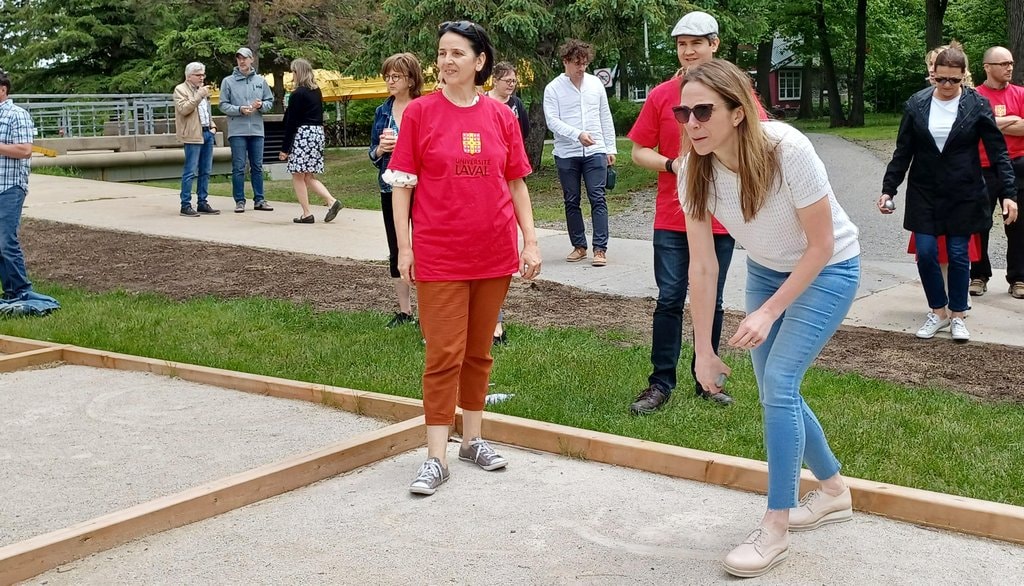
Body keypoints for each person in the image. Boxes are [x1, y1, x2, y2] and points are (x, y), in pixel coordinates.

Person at [680, 59, 861, 578]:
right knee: (775, 388)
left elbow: (821, 245)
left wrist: (767, 311)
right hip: (766, 268)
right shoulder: (693, 169)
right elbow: (702, 266)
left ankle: (775, 527)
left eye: (703, 111)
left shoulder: (787, 150)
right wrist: (703, 351)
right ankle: (833, 491)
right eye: (683, 113)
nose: (691, 123)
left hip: (829, 268)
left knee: (780, 382)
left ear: (737, 112)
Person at [385, 20, 541, 495]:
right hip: (440, 254)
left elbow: (515, 182)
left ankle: (472, 439)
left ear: (480, 61)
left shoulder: (501, 116)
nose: (447, 61)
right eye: (442, 53)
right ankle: (436, 457)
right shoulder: (420, 113)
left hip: (494, 254)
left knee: (478, 352)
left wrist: (530, 241)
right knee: (443, 354)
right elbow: (402, 186)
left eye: (457, 53)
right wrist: (405, 248)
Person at [627, 11, 767, 413]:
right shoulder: (661, 95)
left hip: (721, 218)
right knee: (670, 298)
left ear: (714, 45)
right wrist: (673, 165)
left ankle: (707, 380)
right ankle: (659, 383)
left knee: (713, 299)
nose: (688, 51)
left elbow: (759, 137)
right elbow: (638, 150)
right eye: (682, 45)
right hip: (673, 218)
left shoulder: (735, 93)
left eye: (696, 43)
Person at [880, 43, 1017, 343]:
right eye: (939, 78)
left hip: (963, 191)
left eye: (953, 80)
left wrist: (1009, 193)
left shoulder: (977, 105)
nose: (946, 85)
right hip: (925, 191)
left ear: (964, 76)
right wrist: (889, 188)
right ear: (933, 75)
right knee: (927, 253)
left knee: (957, 254)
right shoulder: (916, 104)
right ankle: (938, 312)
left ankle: (958, 315)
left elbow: (998, 153)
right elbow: (903, 152)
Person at [543, 39, 616, 267]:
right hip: (567, 152)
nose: (581, 68)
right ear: (565, 61)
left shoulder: (595, 84)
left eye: (584, 63)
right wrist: (577, 134)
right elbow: (552, 121)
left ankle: (600, 248)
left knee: (598, 197)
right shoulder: (553, 88)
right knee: (572, 199)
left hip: (595, 150)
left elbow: (605, 115)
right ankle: (579, 246)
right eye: (577, 63)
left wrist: (610, 147)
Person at [370, 52, 424, 329]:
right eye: (387, 77)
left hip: (424, 189)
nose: (390, 81)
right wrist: (381, 149)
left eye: (396, 76)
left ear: (411, 79)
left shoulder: (425, 107)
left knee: (425, 248)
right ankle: (405, 311)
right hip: (390, 187)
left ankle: (428, 310)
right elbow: (372, 154)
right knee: (397, 247)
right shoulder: (382, 111)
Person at [970, 46, 1024, 299]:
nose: (1009, 67)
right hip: (983, 166)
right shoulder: (974, 96)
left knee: (1019, 224)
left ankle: (1018, 278)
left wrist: (989, 123)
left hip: (1018, 164)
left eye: (1010, 63)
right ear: (987, 67)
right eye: (1003, 64)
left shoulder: (1021, 94)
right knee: (979, 223)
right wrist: (1012, 120)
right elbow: (972, 127)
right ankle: (979, 275)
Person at [486, 60, 530, 346]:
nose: (511, 85)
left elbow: (519, 139)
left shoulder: (515, 107)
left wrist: (531, 241)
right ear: (495, 80)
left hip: (506, 180)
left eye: (514, 81)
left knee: (496, 260)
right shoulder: (483, 105)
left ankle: (496, 322)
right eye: (507, 80)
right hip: (484, 182)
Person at [279, 58, 341, 224]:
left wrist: (285, 148)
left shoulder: (297, 94)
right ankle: (331, 201)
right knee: (308, 175)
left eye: (293, 71)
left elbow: (291, 122)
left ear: (298, 72)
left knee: (298, 175)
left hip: (303, 134)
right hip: (317, 133)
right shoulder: (316, 91)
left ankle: (307, 213)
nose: (292, 75)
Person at [0, 70, 40, 301]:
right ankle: (11, 293)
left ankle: (22, 290)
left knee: (6, 240)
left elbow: (25, 150)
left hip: (9, 187)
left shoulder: (17, 115)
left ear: (3, 89)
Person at [220, 47, 274, 213]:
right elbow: (223, 105)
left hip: (257, 130)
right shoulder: (228, 81)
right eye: (239, 58)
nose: (242, 61)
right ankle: (239, 201)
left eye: (244, 58)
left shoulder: (260, 81)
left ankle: (259, 200)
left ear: (252, 59)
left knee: (257, 166)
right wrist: (239, 109)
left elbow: (269, 102)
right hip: (237, 131)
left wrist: (261, 105)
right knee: (239, 167)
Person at [173, 62, 220, 217]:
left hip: (207, 133)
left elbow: (205, 111)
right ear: (189, 76)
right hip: (192, 135)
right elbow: (184, 109)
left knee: (206, 170)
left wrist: (213, 126)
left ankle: (202, 202)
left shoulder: (202, 90)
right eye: (198, 75)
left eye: (203, 74)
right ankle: (185, 205)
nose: (202, 78)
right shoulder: (180, 90)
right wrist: (199, 96)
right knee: (190, 171)